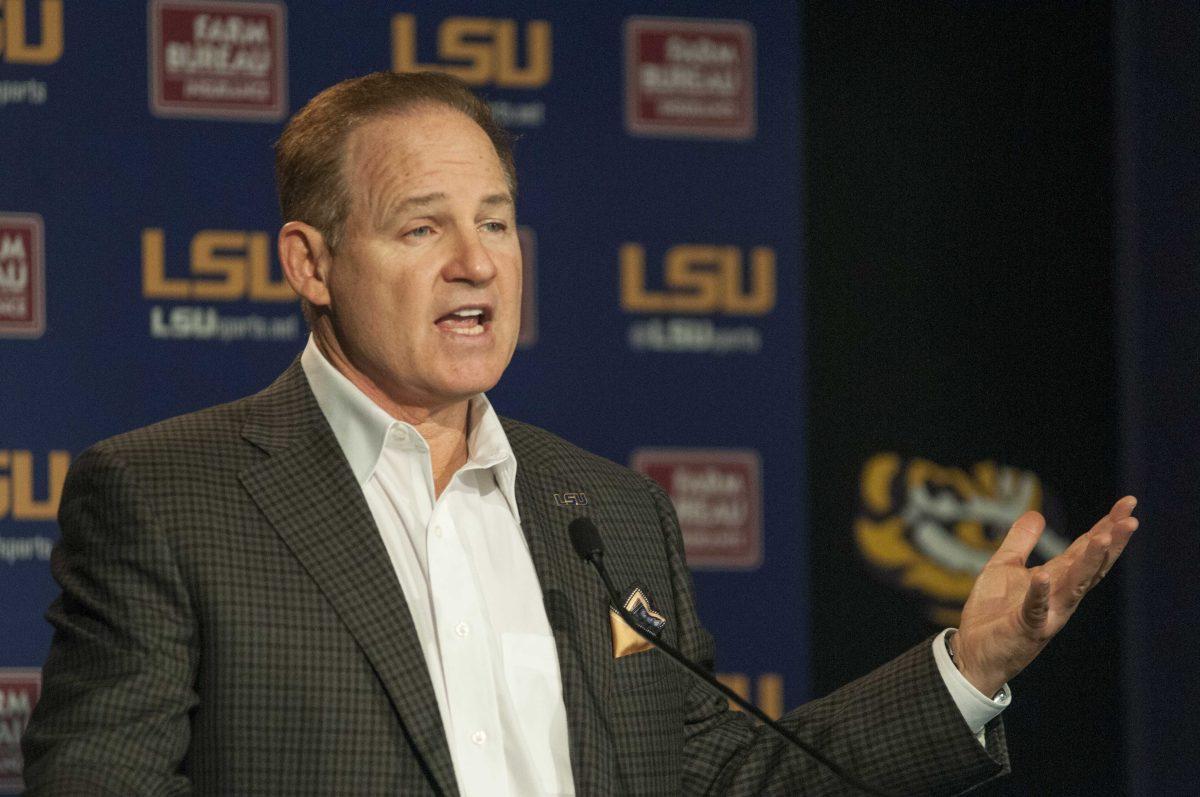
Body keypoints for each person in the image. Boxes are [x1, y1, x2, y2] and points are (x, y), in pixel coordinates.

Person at [21, 71, 1137, 796]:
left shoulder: (608, 510)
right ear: (310, 263)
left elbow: (731, 780)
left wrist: (968, 667)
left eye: (497, 220)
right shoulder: (172, 495)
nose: (477, 259)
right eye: (424, 226)